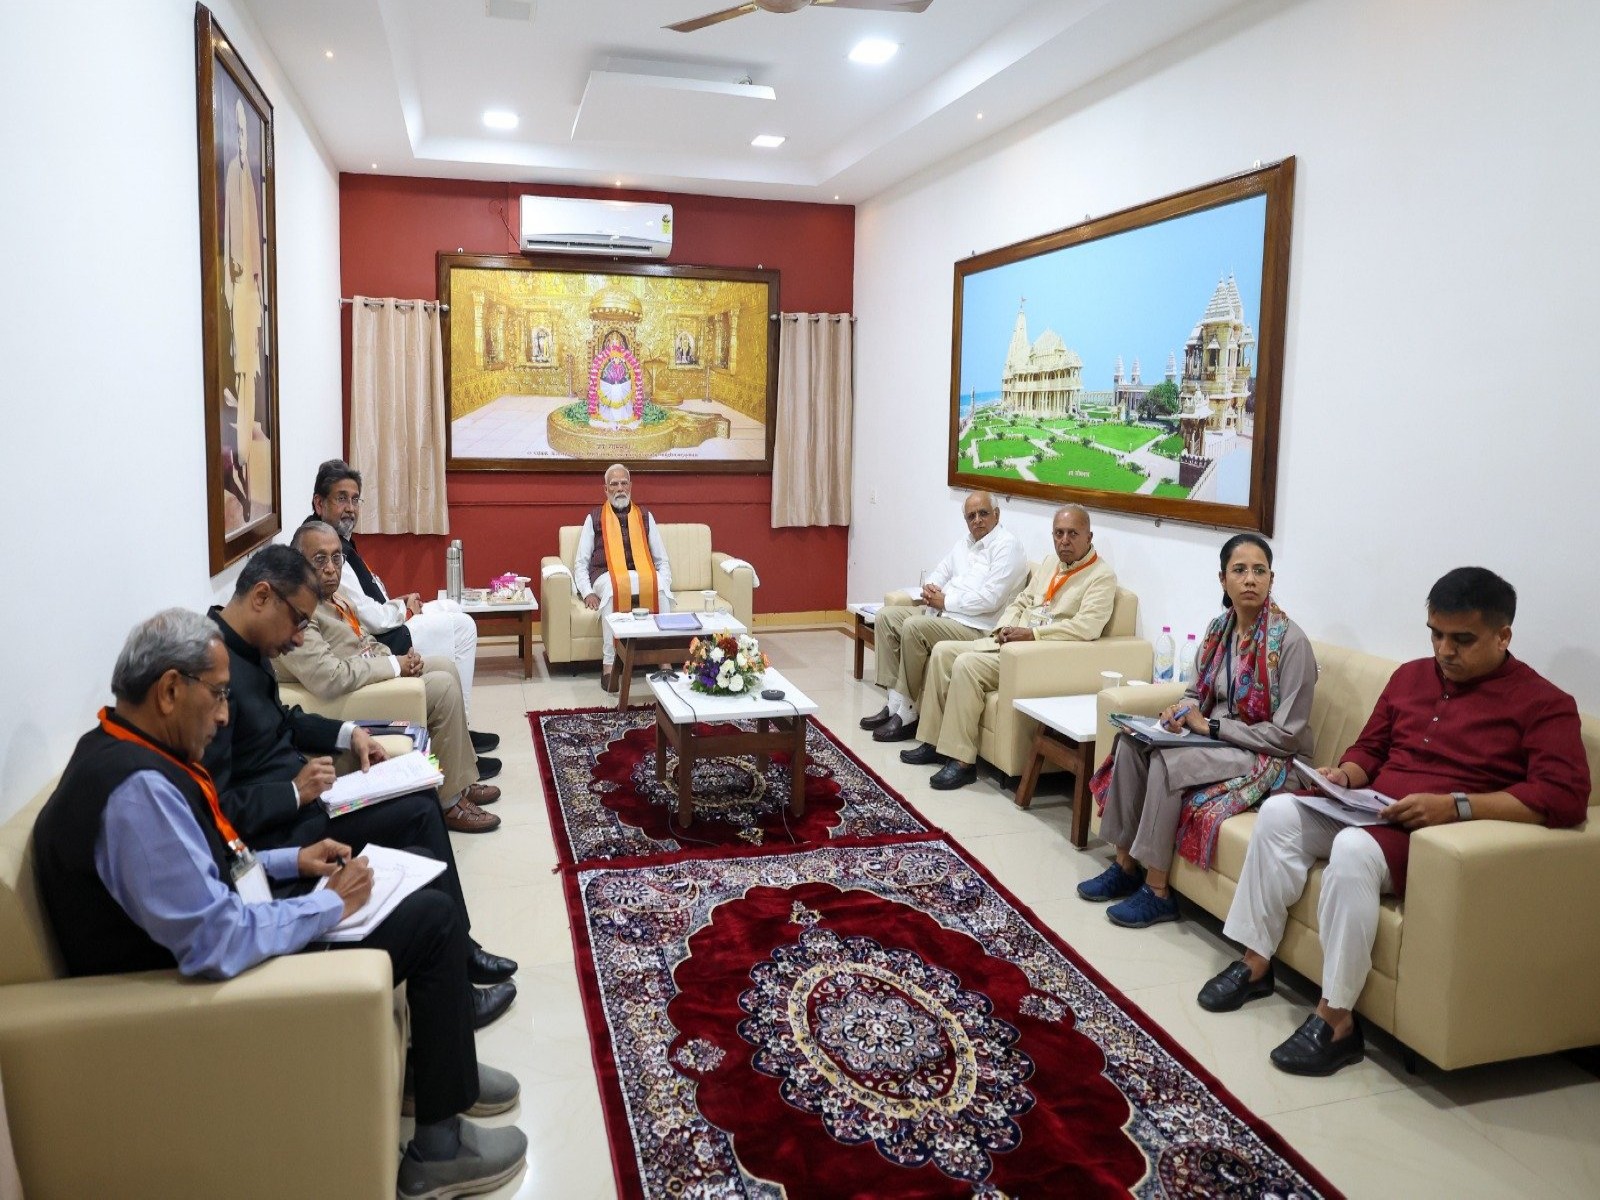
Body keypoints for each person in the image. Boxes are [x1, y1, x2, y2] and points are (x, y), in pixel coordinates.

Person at [30, 609, 528, 1199]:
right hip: (213, 987)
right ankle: (439, 1152)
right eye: (216, 697)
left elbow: (206, 870)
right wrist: (326, 908)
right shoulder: (138, 791)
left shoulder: (120, 750)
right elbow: (216, 940)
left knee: (408, 885)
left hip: (234, 929)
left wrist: (295, 862)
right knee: (430, 919)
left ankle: (440, 1077)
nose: (222, 716)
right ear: (168, 690)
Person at [1196, 567, 1590, 1076]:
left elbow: (1564, 797)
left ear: (1503, 635)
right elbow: (1372, 747)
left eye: (1462, 639)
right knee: (1277, 814)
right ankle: (1255, 963)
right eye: (1436, 633)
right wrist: (1345, 773)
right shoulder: (1410, 676)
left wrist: (1457, 805)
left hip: (1439, 835)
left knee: (1353, 852)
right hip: (1372, 807)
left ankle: (1336, 1020)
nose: (1444, 650)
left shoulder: (1543, 703)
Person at [202, 544, 519, 1027]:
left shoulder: (246, 647)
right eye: (298, 622)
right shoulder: (213, 674)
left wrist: (350, 734)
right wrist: (295, 792)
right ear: (262, 597)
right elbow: (219, 810)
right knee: (415, 811)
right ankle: (455, 973)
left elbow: (281, 720)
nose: (297, 638)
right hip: (282, 835)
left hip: (305, 806)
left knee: (419, 800)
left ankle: (460, 949)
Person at [1080, 534, 1316, 928]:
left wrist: (1212, 726)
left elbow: (1287, 736)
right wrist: (1180, 711)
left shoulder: (1291, 643)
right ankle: (1124, 865)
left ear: (1271, 579)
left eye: (1259, 571)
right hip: (1215, 737)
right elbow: (1196, 692)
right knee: (1130, 743)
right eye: (1239, 571)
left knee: (1171, 763)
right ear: (1223, 579)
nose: (1250, 580)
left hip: (1268, 754)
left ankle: (1157, 891)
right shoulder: (1219, 629)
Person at [273, 521, 502, 834]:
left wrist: (397, 658)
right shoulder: (298, 611)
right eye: (320, 559)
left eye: (336, 558)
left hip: (367, 676)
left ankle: (456, 781)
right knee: (443, 687)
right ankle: (450, 803)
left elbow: (364, 638)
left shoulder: (332, 597)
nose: (331, 568)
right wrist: (395, 665)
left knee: (444, 666)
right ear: (298, 562)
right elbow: (329, 677)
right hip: (348, 697)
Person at [901, 505, 1118, 790]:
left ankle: (962, 762)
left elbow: (1085, 628)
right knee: (942, 652)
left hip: (1039, 655)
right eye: (1059, 533)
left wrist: (1032, 634)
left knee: (966, 665)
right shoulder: (1051, 563)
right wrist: (1004, 628)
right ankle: (932, 742)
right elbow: (1022, 601)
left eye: (1072, 534)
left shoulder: (1101, 576)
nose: (1064, 540)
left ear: (1089, 536)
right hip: (1012, 641)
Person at [307, 460, 499, 762]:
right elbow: (368, 616)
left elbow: (367, 597)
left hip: (386, 619)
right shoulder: (323, 550)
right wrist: (403, 609)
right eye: (341, 498)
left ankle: (458, 729)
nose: (350, 508)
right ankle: (464, 737)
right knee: (463, 627)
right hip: (381, 635)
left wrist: (399, 601)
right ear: (319, 503)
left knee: (452, 606)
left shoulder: (339, 540)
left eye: (355, 499)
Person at [860, 491, 1029, 743]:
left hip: (978, 626)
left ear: (997, 514)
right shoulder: (966, 542)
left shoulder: (1007, 546)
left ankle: (907, 713)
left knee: (914, 626)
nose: (977, 520)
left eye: (983, 513)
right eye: (971, 516)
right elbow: (942, 570)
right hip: (947, 615)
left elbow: (990, 599)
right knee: (887, 617)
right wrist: (931, 587)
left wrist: (945, 601)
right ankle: (894, 702)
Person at [572, 463, 674, 691]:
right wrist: (587, 591)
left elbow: (661, 560)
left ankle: (663, 660)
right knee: (615, 587)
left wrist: (663, 581)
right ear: (605, 490)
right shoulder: (594, 517)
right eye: (614, 484)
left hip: (641, 574)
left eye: (624, 483)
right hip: (605, 576)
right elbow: (581, 562)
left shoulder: (645, 516)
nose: (620, 488)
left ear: (631, 486)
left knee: (658, 586)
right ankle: (609, 666)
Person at [224, 98, 263, 519]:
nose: (239, 140)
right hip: (239, 296)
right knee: (242, 374)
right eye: (235, 131)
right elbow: (231, 243)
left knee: (249, 381)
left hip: (250, 296)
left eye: (242, 132)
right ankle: (242, 460)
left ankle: (247, 462)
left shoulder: (248, 180)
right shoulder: (235, 174)